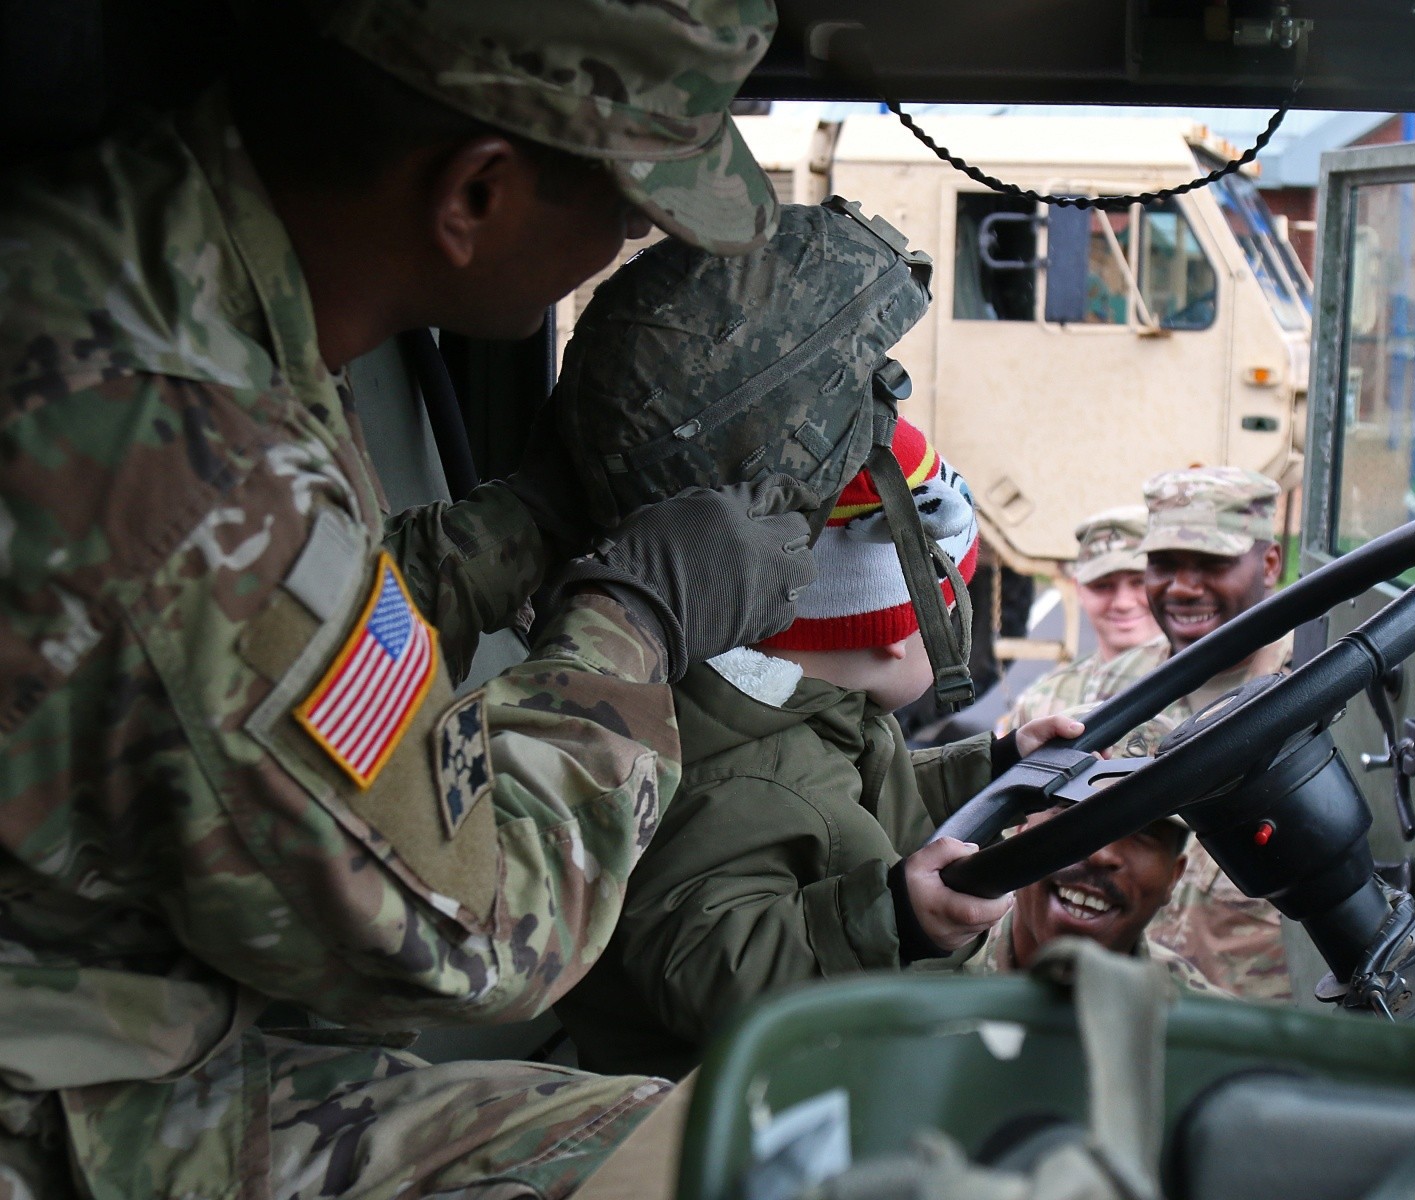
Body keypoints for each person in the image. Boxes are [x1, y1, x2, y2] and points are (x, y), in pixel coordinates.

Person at [0, 1, 818, 1195]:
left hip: (103, 996)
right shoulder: (184, 458)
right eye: (628, 199)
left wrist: (530, 524)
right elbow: (484, 932)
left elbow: (288, 637)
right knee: (726, 1164)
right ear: (474, 194)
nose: (637, 232)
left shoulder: (150, 247)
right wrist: (636, 621)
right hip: (62, 1095)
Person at [558, 417, 1081, 1080]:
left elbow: (854, 804)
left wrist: (995, 770)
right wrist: (895, 920)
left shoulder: (808, 714)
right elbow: (700, 968)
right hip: (728, 1104)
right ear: (895, 633)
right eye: (952, 613)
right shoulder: (746, 780)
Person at [1082, 466, 1296, 1002]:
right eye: (1164, 564)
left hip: (1252, 1030)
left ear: (1270, 563)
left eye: (1212, 564)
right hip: (1125, 1009)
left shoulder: (1315, 690)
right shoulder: (1118, 686)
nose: (1182, 587)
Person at [960, 804, 1219, 995]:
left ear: (1174, 876)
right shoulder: (941, 969)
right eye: (1076, 812)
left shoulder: (1207, 1034)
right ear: (1021, 830)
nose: (1100, 854)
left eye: (1143, 830)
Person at [997, 505, 1162, 734]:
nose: (1123, 603)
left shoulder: (1205, 684)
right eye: (1102, 586)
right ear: (1078, 588)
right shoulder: (1043, 704)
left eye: (1139, 582)